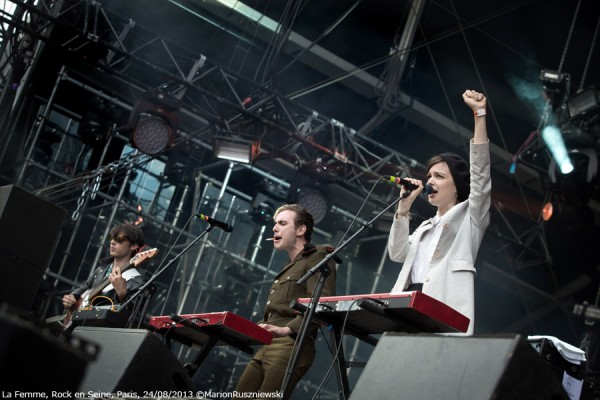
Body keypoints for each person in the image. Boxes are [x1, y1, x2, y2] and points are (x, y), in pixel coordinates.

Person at [387, 89, 491, 336]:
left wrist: (479, 115)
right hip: (406, 306)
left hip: (441, 312)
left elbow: (481, 177)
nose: (430, 180)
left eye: (439, 176)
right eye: (429, 175)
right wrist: (403, 208)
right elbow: (397, 253)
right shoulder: (425, 227)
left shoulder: (472, 218)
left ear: (457, 186)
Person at [236, 204, 337, 399]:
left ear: (300, 230)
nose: (275, 228)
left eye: (282, 223)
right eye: (275, 224)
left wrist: (288, 329)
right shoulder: (292, 265)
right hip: (268, 344)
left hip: (291, 344)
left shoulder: (318, 256)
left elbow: (322, 302)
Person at [61, 223, 149, 322]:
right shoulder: (102, 268)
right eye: (111, 237)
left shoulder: (137, 281)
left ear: (133, 246)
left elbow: (132, 318)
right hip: (78, 323)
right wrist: (73, 296)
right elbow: (85, 287)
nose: (112, 242)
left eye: (119, 238)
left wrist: (123, 295)